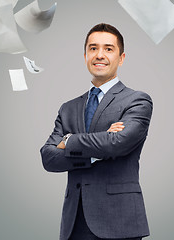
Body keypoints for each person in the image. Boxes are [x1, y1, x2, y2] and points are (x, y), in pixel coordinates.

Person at [40, 23, 152, 240]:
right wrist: (96, 150)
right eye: (93, 48)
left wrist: (69, 140)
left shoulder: (137, 100)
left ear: (121, 58)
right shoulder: (68, 108)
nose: (99, 55)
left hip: (119, 221)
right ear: (85, 56)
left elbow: (117, 143)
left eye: (108, 49)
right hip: (75, 223)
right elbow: (49, 158)